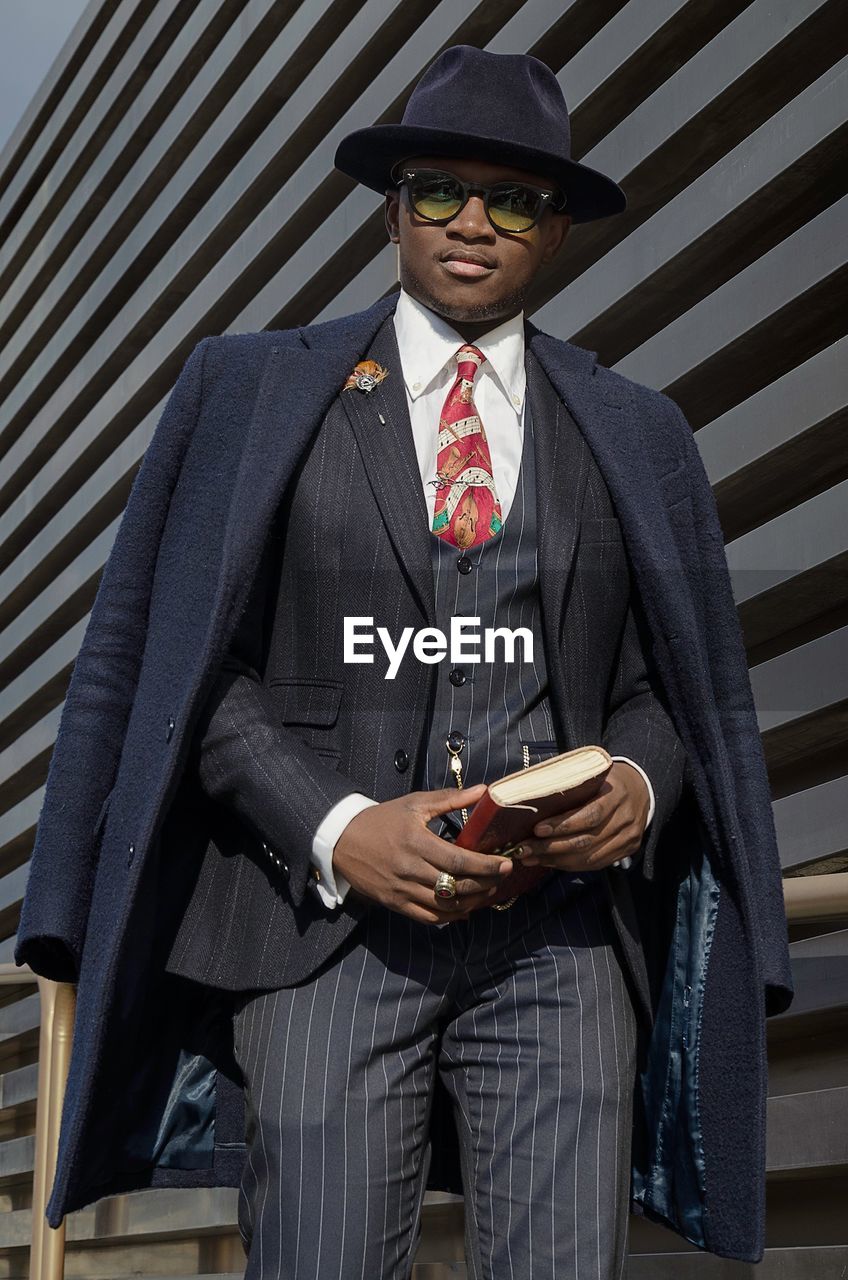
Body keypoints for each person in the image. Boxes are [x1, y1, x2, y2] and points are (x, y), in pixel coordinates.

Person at [15, 44, 792, 1279]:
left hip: (563, 946)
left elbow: (674, 686)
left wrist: (634, 792)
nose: (471, 223)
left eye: (514, 199)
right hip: (323, 936)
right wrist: (335, 825)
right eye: (440, 190)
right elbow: (187, 671)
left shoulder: (640, 432)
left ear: (556, 230)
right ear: (392, 211)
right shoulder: (245, 388)